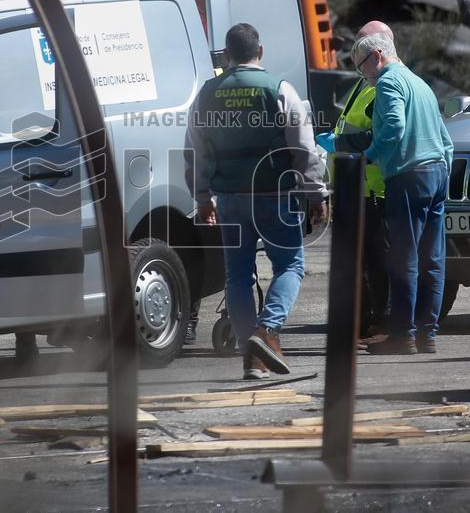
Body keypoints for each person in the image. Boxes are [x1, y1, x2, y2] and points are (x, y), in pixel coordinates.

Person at [186, 23, 328, 379]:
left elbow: (197, 154)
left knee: (237, 277)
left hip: (230, 199)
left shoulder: (206, 94)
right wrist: (317, 195)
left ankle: (253, 356)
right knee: (290, 266)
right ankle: (267, 332)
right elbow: (304, 149)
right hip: (274, 195)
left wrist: (203, 199)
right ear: (260, 52)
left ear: (227, 56)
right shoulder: (279, 89)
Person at [352, 29, 453, 355]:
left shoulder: (388, 82)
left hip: (409, 176)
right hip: (435, 173)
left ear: (377, 56)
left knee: (404, 258)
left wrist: (370, 154)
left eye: (361, 65)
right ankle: (427, 334)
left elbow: (394, 126)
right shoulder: (420, 84)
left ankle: (403, 334)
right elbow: (445, 139)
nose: (362, 74)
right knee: (432, 259)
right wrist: (443, 176)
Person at [333, 21, 393, 343]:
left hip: (376, 188)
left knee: (377, 261)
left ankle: (381, 323)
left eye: (361, 50)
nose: (356, 58)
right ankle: (364, 321)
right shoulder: (365, 81)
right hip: (355, 185)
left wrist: (340, 143)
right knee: (359, 261)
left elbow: (380, 135)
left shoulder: (383, 85)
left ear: (377, 51)